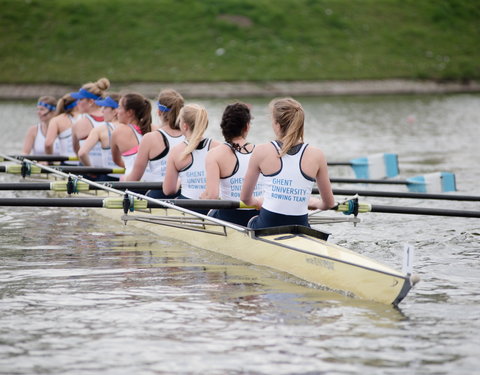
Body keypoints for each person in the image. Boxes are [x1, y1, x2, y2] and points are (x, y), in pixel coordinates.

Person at [240, 97, 336, 229]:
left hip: (266, 225)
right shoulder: (317, 155)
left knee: (251, 222)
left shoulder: (261, 150)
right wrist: (317, 203)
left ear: (277, 124)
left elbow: (245, 198)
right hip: (300, 226)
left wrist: (257, 202)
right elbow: (329, 204)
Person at [200, 102, 262, 226]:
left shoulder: (214, 154)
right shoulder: (262, 151)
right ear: (246, 127)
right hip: (259, 216)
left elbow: (212, 196)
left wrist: (202, 197)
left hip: (230, 217)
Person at [123, 89, 185, 198]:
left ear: (159, 112)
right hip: (185, 195)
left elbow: (134, 178)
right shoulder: (191, 136)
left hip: (159, 195)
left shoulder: (150, 138)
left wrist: (124, 179)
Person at [162, 104, 220, 213]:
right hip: (214, 206)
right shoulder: (218, 147)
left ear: (184, 126)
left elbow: (168, 190)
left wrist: (179, 182)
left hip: (188, 207)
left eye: (179, 121)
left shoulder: (176, 151)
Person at [77, 93, 122, 180]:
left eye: (105, 107)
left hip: (108, 179)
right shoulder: (133, 128)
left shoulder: (100, 129)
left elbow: (82, 153)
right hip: (128, 179)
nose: (102, 111)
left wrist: (91, 171)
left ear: (115, 111)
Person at [110, 93, 153, 177]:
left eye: (119, 107)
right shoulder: (154, 128)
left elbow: (116, 161)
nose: (116, 111)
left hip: (132, 183)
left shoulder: (118, 131)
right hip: (153, 182)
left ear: (130, 112)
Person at [71, 77, 110, 166]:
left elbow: (78, 152)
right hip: (111, 173)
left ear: (91, 101)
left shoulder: (79, 123)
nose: (77, 103)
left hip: (89, 172)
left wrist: (90, 170)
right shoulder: (114, 118)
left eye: (80, 99)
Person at [45, 93, 79, 164]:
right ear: (77, 105)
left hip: (67, 164)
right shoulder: (86, 117)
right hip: (85, 164)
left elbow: (48, 144)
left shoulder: (56, 120)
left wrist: (50, 163)